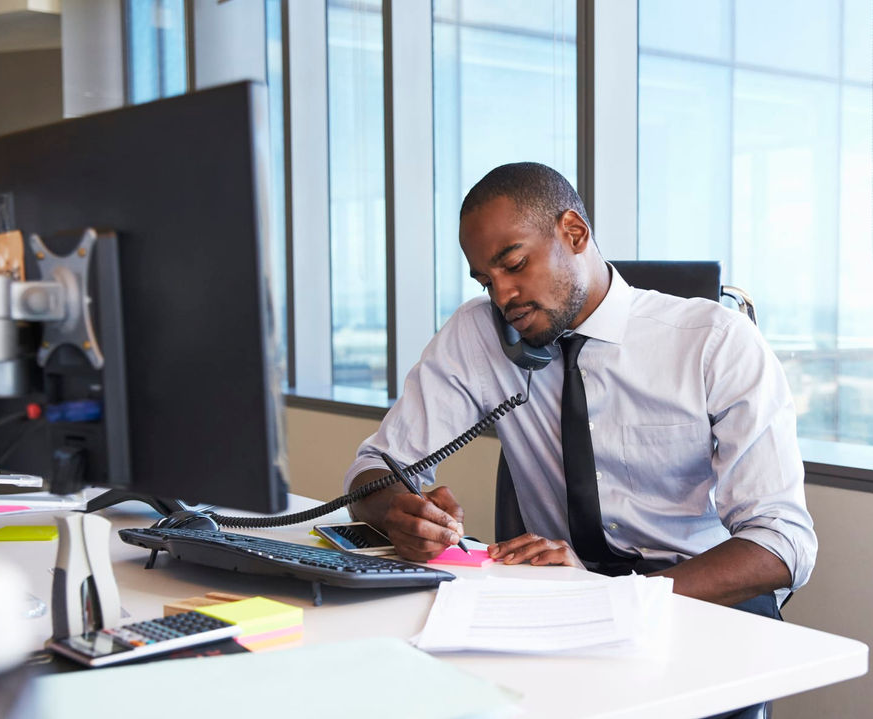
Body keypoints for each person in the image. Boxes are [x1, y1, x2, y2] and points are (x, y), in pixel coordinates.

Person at [344, 162, 816, 613]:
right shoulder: (479, 333)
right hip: (560, 593)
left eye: (514, 264)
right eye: (486, 280)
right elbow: (372, 468)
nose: (502, 296)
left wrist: (613, 598)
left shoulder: (714, 341)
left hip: (695, 598)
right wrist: (398, 513)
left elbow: (782, 543)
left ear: (574, 232)